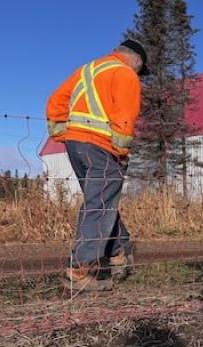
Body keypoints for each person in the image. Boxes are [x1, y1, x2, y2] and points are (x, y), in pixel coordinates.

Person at [46, 39, 149, 291]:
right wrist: (121, 151)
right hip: (102, 147)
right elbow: (125, 117)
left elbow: (56, 100)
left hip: (77, 145)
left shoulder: (87, 70)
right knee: (100, 204)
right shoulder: (125, 74)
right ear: (136, 59)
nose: (140, 74)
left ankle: (118, 252)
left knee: (100, 199)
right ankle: (80, 270)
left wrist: (62, 134)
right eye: (141, 69)